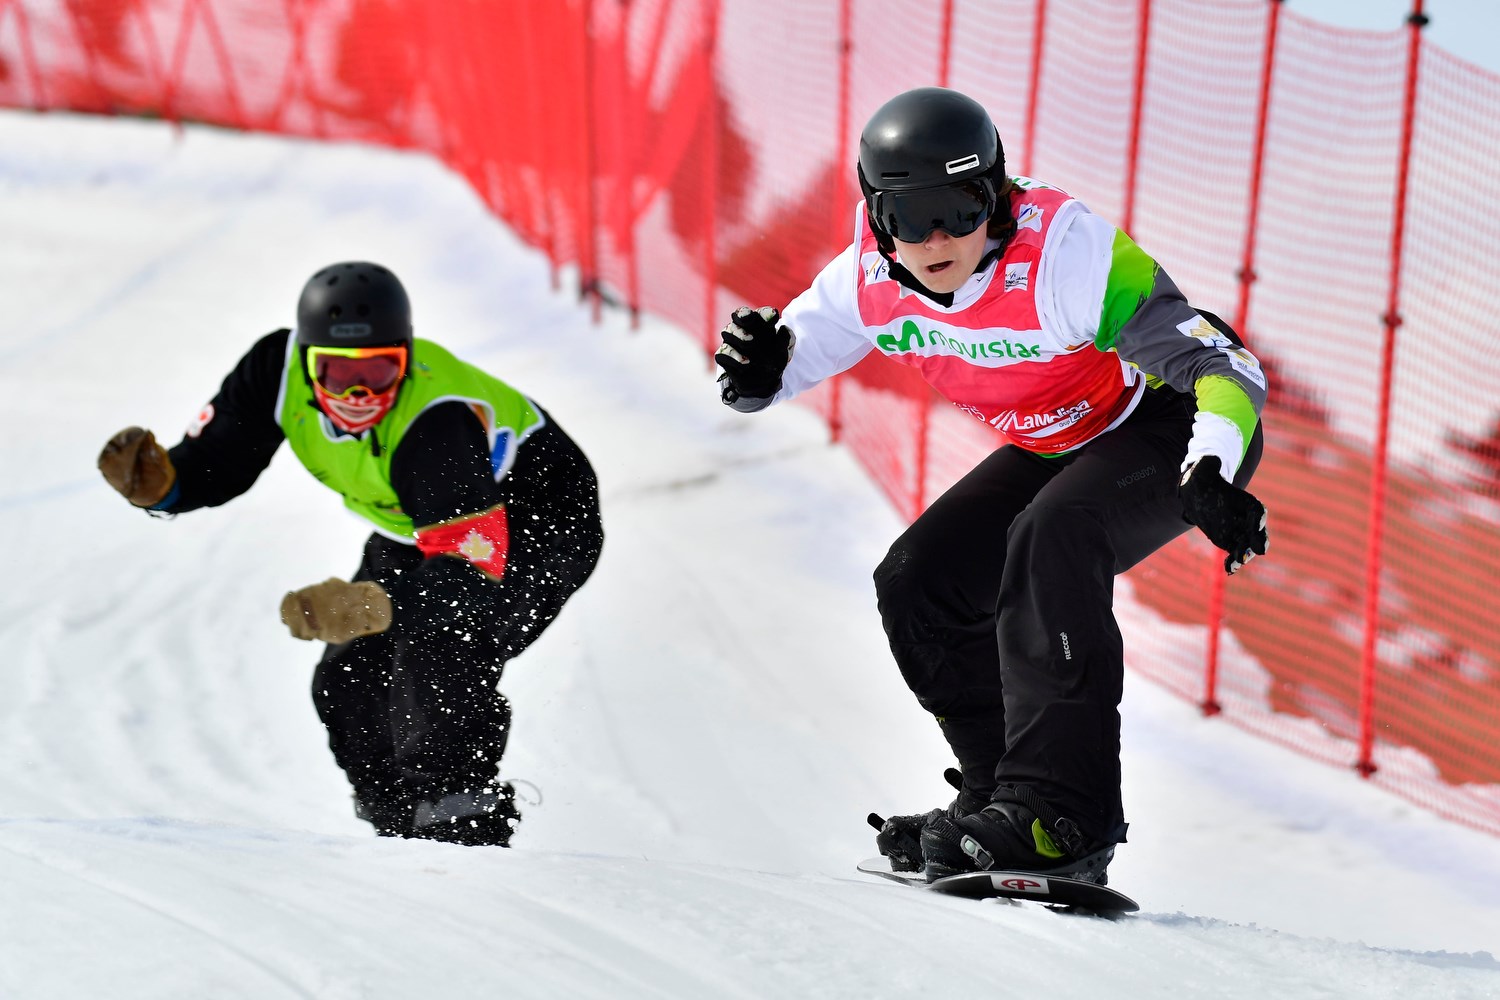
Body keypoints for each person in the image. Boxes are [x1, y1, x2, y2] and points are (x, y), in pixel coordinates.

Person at [714, 88, 1268, 884]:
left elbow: (1223, 363)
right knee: (919, 582)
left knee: (1053, 535)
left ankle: (1063, 820)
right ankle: (999, 800)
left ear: (998, 195)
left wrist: (1212, 463)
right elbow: (793, 352)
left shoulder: (1067, 256)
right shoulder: (870, 279)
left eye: (961, 205)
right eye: (910, 215)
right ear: (877, 219)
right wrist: (761, 372)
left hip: (1174, 426)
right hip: (1062, 439)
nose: (937, 237)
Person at [98, 261, 604, 847]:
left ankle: (463, 828)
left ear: (407, 359)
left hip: (535, 525)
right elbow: (221, 458)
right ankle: (398, 829)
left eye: (382, 371)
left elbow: (469, 572)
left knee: (439, 654)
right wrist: (167, 486)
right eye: (336, 374)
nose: (359, 395)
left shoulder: (435, 425)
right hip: (421, 523)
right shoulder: (275, 372)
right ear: (306, 360)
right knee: (349, 679)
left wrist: (373, 603)